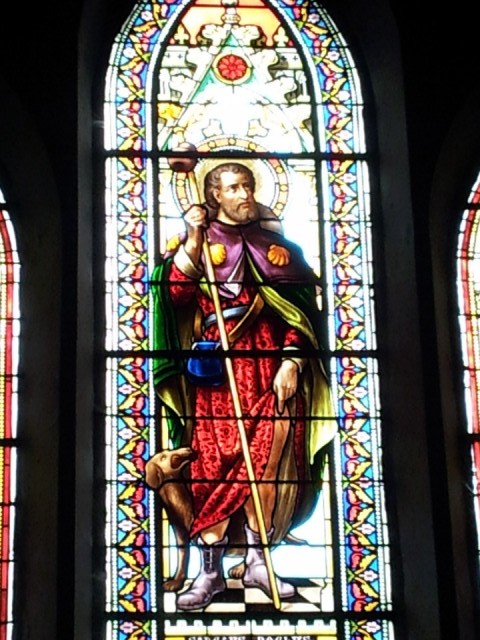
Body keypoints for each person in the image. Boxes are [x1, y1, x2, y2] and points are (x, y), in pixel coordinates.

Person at [150, 161, 336, 610]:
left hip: (269, 371)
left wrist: (292, 360)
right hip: (217, 377)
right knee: (213, 467)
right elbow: (174, 294)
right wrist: (193, 237)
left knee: (267, 465)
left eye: (248, 185)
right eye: (234, 187)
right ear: (214, 195)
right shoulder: (198, 242)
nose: (244, 194)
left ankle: (258, 560)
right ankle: (210, 572)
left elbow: (301, 315)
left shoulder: (277, 249)